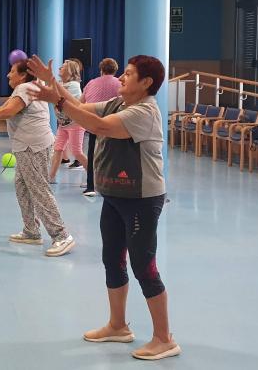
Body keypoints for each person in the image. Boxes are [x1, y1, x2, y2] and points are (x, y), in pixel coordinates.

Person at [27, 55, 179, 361]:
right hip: (114, 196)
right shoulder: (117, 103)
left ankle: (164, 338)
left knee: (144, 266)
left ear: (147, 83)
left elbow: (98, 126)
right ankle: (118, 325)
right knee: (112, 259)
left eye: (130, 73)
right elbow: (80, 108)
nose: (122, 77)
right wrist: (52, 84)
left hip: (141, 199)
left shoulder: (144, 111)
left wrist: (56, 97)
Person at [0, 60, 74, 257]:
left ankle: (61, 235)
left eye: (11, 71)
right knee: (22, 187)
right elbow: (8, 109)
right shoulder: (26, 87)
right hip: (25, 147)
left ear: (22, 75)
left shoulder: (24, 87)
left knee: (39, 190)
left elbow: (8, 111)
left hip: (34, 147)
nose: (8, 75)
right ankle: (31, 231)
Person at [79, 58, 121, 196]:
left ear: (101, 70)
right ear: (115, 70)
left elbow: (81, 102)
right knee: (113, 156)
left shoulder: (91, 83)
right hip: (113, 125)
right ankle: (112, 184)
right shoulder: (120, 83)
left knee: (92, 154)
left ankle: (91, 186)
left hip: (93, 123)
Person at [48, 60, 88, 182]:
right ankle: (51, 177)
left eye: (63, 66)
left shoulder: (74, 85)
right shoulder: (60, 83)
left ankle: (93, 177)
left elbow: (66, 101)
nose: (59, 67)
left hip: (75, 123)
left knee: (77, 152)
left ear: (70, 71)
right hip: (63, 124)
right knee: (58, 149)